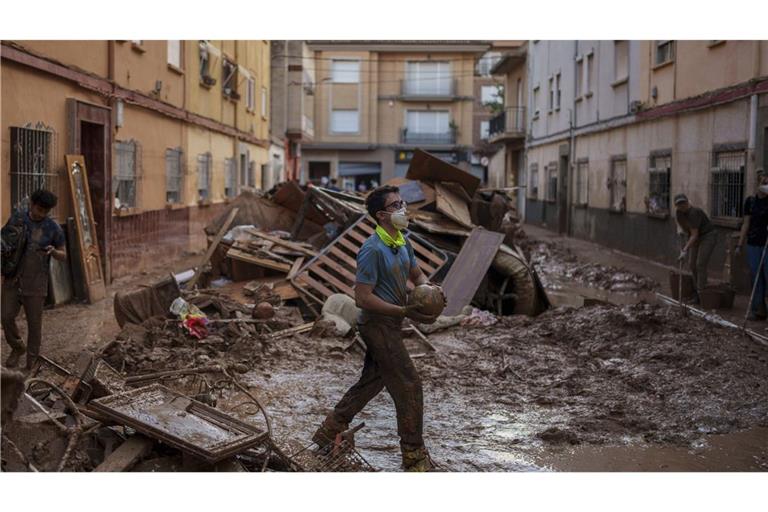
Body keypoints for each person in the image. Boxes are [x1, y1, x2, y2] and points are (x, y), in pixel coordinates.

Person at [311, 185, 441, 471]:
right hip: (377, 325)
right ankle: (414, 457)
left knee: (373, 381)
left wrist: (427, 291)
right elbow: (363, 298)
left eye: (402, 203)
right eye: (396, 206)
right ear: (381, 215)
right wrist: (403, 310)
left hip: (392, 322)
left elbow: (417, 274)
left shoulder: (402, 241)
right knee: (409, 385)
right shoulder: (372, 249)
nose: (403, 209)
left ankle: (328, 432)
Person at [1, 189, 66, 369]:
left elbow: (64, 254)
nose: (41, 214)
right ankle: (17, 347)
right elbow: (3, 245)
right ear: (32, 204)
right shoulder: (17, 220)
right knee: (5, 317)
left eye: (45, 211)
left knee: (35, 325)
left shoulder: (53, 228)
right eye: (38, 209)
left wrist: (54, 252)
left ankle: (31, 364)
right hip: (13, 279)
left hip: (36, 282)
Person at [736, 169, 768, 320]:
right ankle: (758, 309)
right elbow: (746, 224)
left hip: (767, 244)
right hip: (753, 243)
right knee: (756, 277)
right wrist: (739, 244)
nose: (765, 184)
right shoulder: (750, 201)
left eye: (767, 182)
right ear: (757, 183)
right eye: (763, 181)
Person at [674, 193, 716, 303]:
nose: (682, 205)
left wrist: (685, 250)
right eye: (679, 204)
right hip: (694, 237)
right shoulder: (679, 213)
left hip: (708, 236)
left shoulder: (694, 212)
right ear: (676, 206)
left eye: (683, 203)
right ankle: (697, 291)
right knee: (692, 264)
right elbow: (683, 229)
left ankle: (701, 295)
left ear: (687, 202)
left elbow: (694, 234)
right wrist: (682, 246)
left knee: (700, 264)